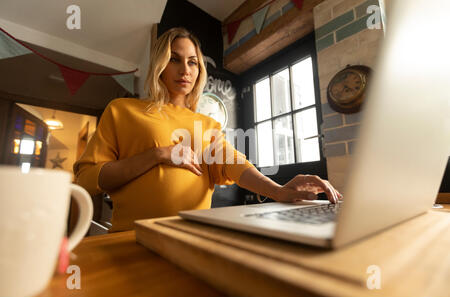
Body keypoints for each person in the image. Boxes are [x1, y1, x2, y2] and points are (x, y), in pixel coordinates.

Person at [73, 27, 342, 232]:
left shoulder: (207, 125)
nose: (185, 70)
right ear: (159, 64)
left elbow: (235, 164)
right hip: (130, 238)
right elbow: (87, 180)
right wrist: (159, 155)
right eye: (174, 59)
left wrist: (278, 190)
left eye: (192, 62)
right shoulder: (122, 109)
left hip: (191, 237)